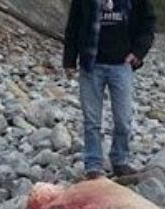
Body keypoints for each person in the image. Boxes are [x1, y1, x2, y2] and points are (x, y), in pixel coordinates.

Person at [63, 0, 156, 180]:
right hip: (91, 64)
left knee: (123, 119)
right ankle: (93, 165)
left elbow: (148, 23)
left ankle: (120, 160)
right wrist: (69, 59)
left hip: (121, 65)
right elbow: (73, 24)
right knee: (91, 121)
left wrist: (138, 52)